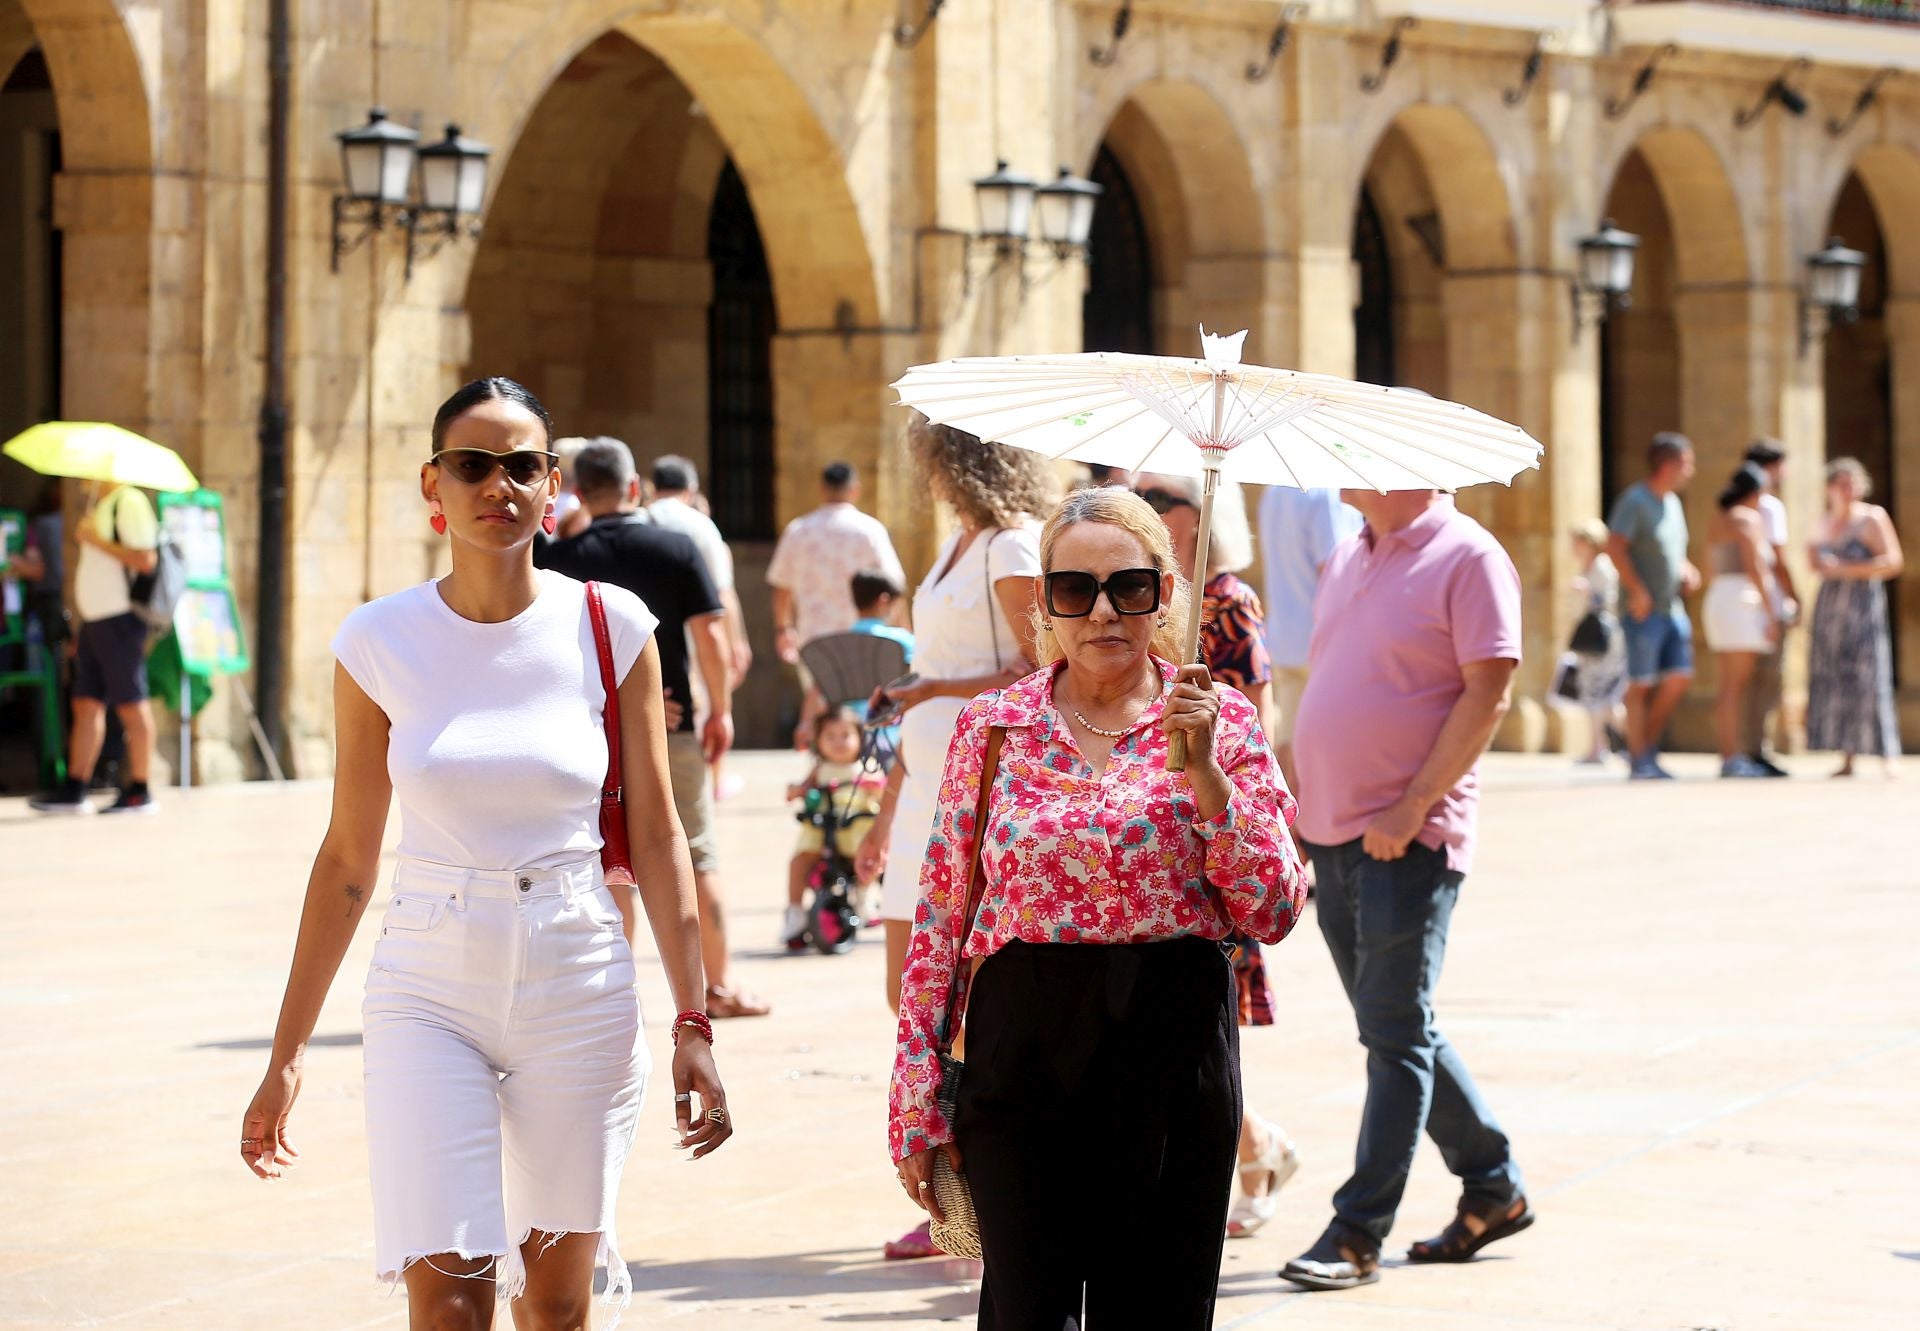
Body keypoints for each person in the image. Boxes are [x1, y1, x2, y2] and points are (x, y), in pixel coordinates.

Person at [240, 378, 732, 1330]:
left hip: (578, 968)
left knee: (554, 1307)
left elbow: (664, 838)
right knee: (452, 1303)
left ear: (554, 487)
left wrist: (693, 1020)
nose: (497, 485)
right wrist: (288, 1052)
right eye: (473, 464)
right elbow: (347, 856)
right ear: (435, 484)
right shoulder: (377, 640)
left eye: (521, 466)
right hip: (428, 979)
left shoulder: (615, 625)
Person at [889, 487, 1306, 1329]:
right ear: (1044, 601)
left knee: (1156, 1308)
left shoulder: (1215, 720)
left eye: (1131, 587)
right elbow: (939, 915)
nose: (1104, 611)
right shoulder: (994, 726)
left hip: (1172, 1040)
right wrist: (916, 1091)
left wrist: (1209, 781)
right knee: (1027, 1309)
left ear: (1166, 593)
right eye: (1075, 589)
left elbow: (1273, 908)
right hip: (1022, 1043)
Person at [1283, 486, 1530, 1292]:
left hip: (1406, 835)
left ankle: (1357, 1230)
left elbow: (1489, 690)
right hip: (1333, 829)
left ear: (1413, 469)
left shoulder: (1470, 555)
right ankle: (1493, 1185)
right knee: (1396, 1024)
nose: (1340, 469)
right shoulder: (1348, 553)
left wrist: (1415, 802)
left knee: (1392, 1030)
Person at [853, 418, 1050, 1262]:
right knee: (910, 996)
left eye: (928, 454)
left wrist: (933, 684)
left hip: (978, 795)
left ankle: (976, 1190)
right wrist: (887, 806)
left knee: (964, 1006)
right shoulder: (954, 546)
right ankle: (960, 1183)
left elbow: (1038, 668)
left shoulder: (1010, 548)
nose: (921, 470)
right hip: (926, 790)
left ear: (956, 457)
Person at [534, 437, 770, 1021]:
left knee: (609, 857)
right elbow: (712, 637)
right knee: (696, 854)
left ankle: (610, 987)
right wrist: (719, 708)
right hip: (672, 726)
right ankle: (716, 986)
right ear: (634, 487)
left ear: (580, 494)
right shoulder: (676, 545)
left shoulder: (560, 558)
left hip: (592, 730)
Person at [1136, 472, 1300, 1239]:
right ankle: (1259, 1143)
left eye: (1156, 495)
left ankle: (1255, 1146)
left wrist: (1211, 766)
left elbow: (1257, 718)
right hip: (1143, 836)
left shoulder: (1227, 600)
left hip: (1212, 827)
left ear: (1197, 516)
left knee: (1199, 1034)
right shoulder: (1139, 596)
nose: (1141, 502)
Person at [27, 477, 160, 815]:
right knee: (85, 704)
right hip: (95, 623)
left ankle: (140, 788)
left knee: (131, 703)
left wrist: (96, 540)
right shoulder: (101, 506)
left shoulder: (128, 502)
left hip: (120, 620)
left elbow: (146, 560)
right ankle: (76, 786)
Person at [767, 460, 906, 747]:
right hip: (867, 641)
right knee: (866, 711)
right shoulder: (870, 530)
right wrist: (902, 628)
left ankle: (825, 774)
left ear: (822, 490)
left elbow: (782, 585)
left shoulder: (799, 530)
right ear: (854, 490)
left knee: (821, 711)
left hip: (814, 639)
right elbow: (895, 585)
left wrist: (783, 628)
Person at [649, 455, 753, 800]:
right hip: (696, 638)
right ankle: (709, 784)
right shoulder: (700, 526)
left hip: (649, 641)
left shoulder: (642, 516)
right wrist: (736, 641)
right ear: (691, 489)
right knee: (707, 714)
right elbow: (721, 596)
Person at [1256, 485, 1361, 804]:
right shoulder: (1326, 492)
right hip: (1322, 641)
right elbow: (1335, 569)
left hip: (1286, 636)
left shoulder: (1273, 491)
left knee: (1291, 746)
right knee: (1322, 756)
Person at [1607, 432, 1701, 781]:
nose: (1691, 470)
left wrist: (1687, 570)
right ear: (1668, 464)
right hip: (1642, 611)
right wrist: (1637, 590)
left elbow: (1673, 552)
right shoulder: (1635, 501)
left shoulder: (1673, 503)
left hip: (1672, 608)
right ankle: (1638, 757)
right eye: (1687, 463)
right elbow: (1614, 547)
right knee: (1641, 683)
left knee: (1679, 677)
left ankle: (1644, 747)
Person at [1806, 457, 1904, 778]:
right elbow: (1813, 561)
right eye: (1842, 484)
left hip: (1861, 607)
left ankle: (1887, 755)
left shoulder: (1872, 518)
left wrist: (1846, 568)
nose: (1849, 490)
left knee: (1869, 676)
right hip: (1831, 611)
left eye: (1854, 483)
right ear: (1830, 488)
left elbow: (1892, 562)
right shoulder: (1824, 521)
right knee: (1835, 678)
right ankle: (1847, 756)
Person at [782, 705, 885, 949]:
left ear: (860, 738)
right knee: (798, 862)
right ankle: (795, 912)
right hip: (822, 835)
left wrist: (876, 785)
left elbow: (885, 792)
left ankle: (865, 898)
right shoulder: (820, 770)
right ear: (818, 741)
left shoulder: (866, 769)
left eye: (846, 735)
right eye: (830, 736)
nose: (839, 742)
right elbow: (801, 789)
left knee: (873, 860)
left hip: (856, 835)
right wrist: (798, 790)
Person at [1701, 465, 1781, 778]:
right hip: (1742, 601)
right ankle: (1732, 756)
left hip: (1721, 597)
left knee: (1728, 685)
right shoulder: (1747, 519)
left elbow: (1710, 568)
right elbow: (1755, 566)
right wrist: (1771, 613)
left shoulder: (1717, 520)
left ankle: (1731, 754)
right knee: (1736, 686)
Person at [1742, 440, 1798, 775]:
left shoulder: (1732, 505)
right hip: (1767, 601)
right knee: (1767, 678)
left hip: (1736, 601)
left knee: (1742, 680)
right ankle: (1756, 749)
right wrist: (1795, 596)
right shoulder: (1771, 507)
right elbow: (1778, 559)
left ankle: (1742, 749)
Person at [1566, 518, 1627, 765]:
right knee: (1593, 693)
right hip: (1592, 636)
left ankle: (1632, 742)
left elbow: (1609, 601)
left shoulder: (1602, 566)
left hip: (1604, 638)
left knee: (1605, 695)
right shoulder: (1589, 566)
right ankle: (1598, 748)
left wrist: (1587, 591)